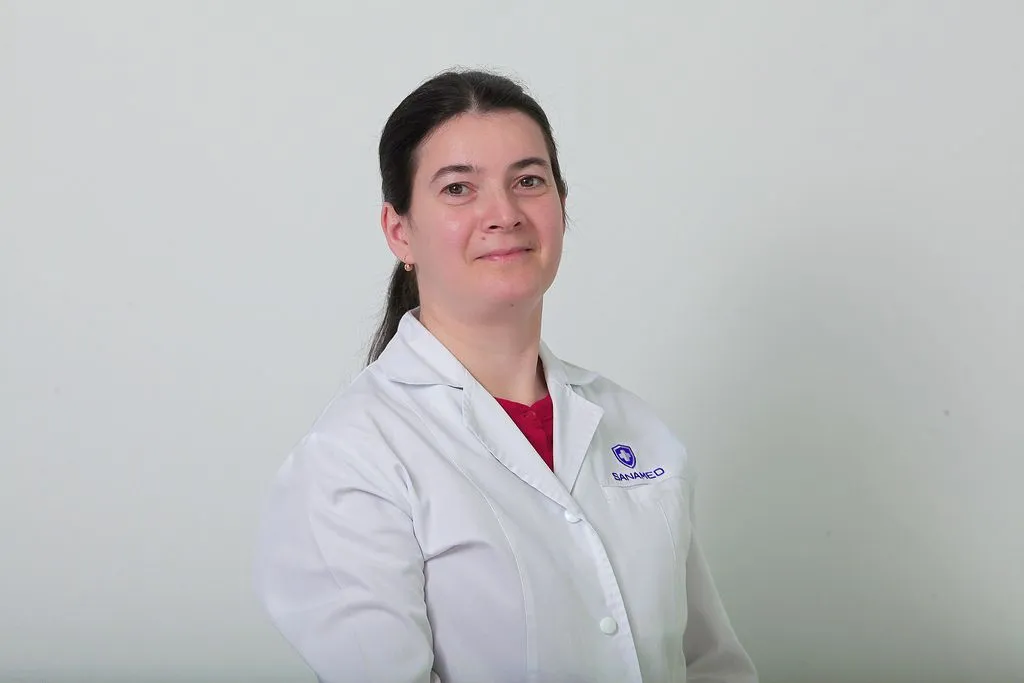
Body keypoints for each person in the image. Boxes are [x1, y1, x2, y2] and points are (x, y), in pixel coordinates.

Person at [254, 68, 758, 683]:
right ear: (399, 231)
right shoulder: (352, 458)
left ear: (561, 207)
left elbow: (710, 664)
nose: (504, 213)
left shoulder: (633, 425)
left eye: (528, 181)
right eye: (458, 188)